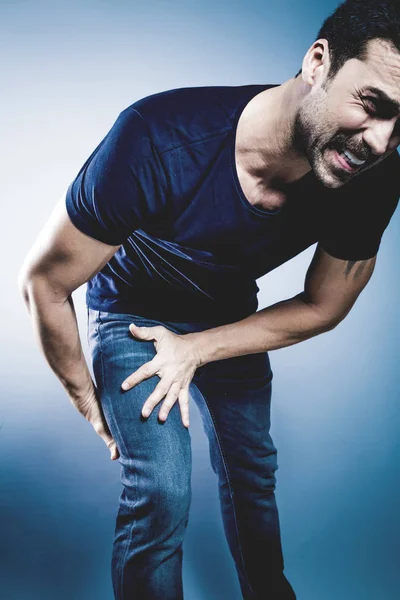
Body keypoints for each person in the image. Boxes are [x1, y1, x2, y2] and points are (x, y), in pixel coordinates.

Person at [18, 0, 400, 598]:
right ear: (318, 61)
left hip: (223, 315)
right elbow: (45, 281)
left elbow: (326, 304)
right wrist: (90, 405)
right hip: (133, 317)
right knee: (162, 489)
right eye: (372, 105)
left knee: (254, 475)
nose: (381, 142)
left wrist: (195, 348)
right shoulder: (156, 137)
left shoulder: (373, 175)